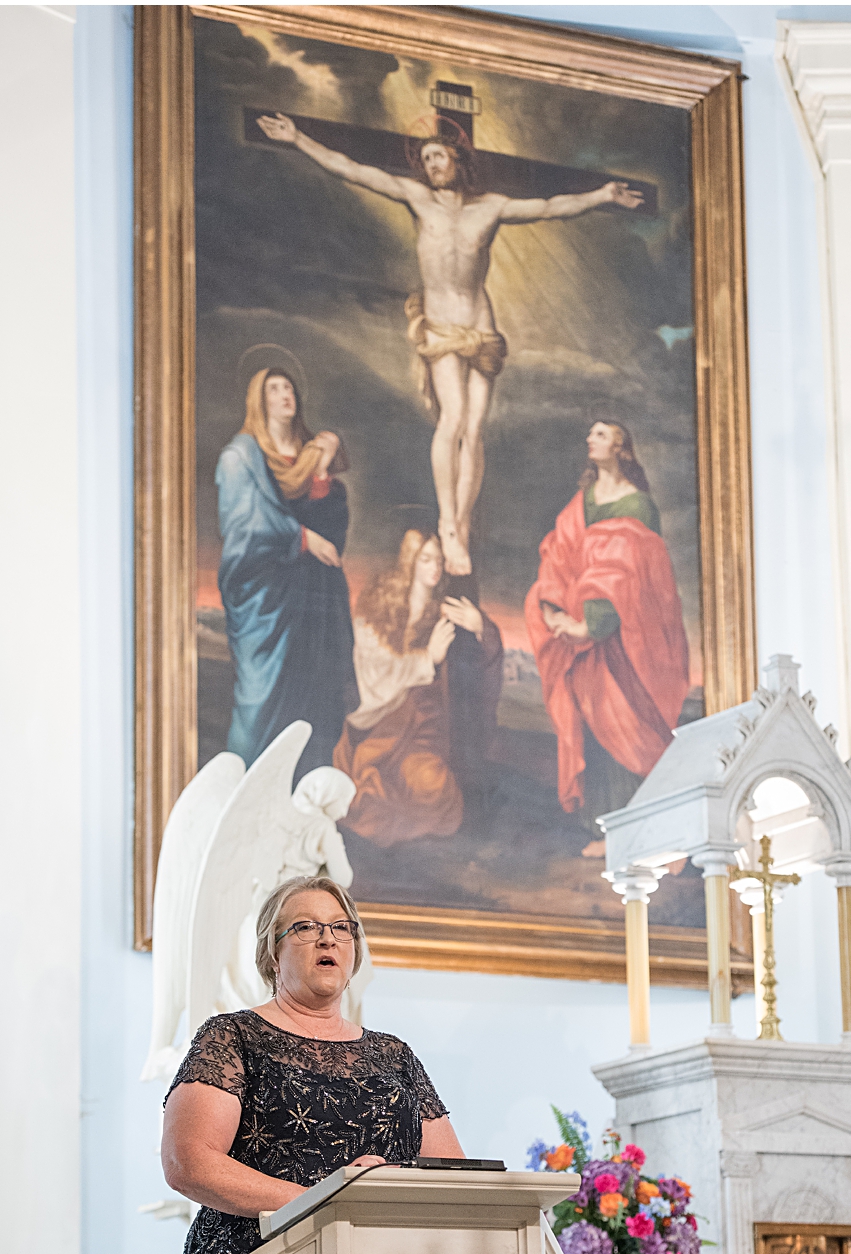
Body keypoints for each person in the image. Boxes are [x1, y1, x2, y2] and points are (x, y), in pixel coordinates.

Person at [255, 112, 644, 577]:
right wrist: (297, 138)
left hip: (481, 326)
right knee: (453, 418)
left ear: (457, 160)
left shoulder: (491, 207)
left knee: (475, 427)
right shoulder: (417, 197)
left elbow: (548, 205)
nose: (433, 164)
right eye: (426, 158)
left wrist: (602, 195)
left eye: (440, 155)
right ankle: (448, 523)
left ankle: (459, 520)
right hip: (440, 326)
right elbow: (353, 169)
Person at [160, 876, 463, 1254]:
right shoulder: (234, 1037)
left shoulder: (396, 1056)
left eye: (341, 928)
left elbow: (452, 1178)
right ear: (272, 954)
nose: (327, 940)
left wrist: (386, 1183)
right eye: (305, 927)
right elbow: (188, 1163)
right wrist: (328, 1196)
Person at [525, 420, 690, 856]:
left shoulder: (638, 506)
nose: (590, 439)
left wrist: (593, 624)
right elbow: (558, 556)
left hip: (624, 641)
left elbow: (629, 571)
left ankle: (646, 833)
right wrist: (554, 609)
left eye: (600, 434)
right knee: (594, 728)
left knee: (629, 725)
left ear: (621, 447)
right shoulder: (581, 504)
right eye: (591, 434)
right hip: (583, 647)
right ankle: (607, 831)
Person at [217, 367, 359, 778]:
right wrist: (301, 539)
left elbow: (333, 536)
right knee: (265, 704)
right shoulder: (242, 457)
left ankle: (307, 799)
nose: (285, 395)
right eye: (274, 389)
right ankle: (249, 799)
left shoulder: (313, 457)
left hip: (318, 602)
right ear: (258, 401)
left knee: (318, 699)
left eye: (289, 388)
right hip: (270, 601)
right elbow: (245, 528)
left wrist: (319, 477)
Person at [333, 530, 499, 845]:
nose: (434, 567)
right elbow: (375, 671)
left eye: (438, 560)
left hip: (426, 730)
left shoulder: (446, 612)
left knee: (433, 786)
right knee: (363, 796)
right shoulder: (379, 609)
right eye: (425, 559)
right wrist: (427, 659)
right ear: (410, 561)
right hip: (382, 725)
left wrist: (481, 628)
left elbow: (477, 665)